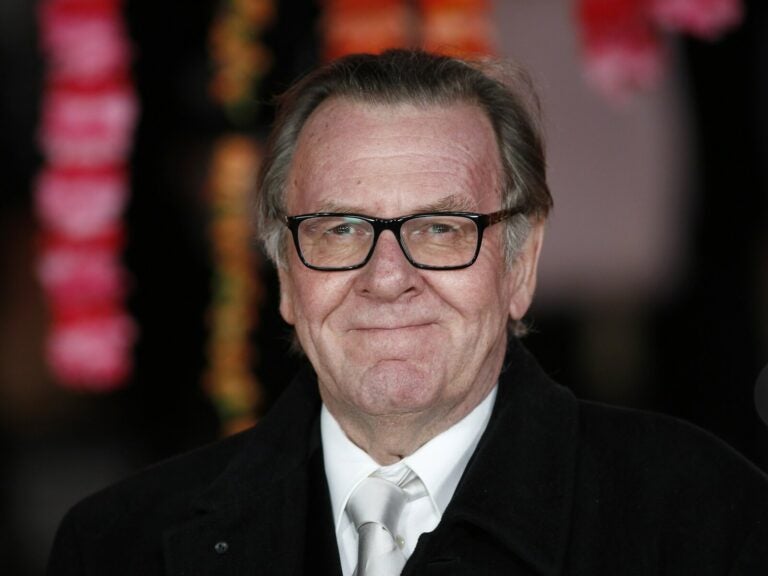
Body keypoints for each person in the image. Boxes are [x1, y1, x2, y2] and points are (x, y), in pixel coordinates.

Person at [48, 49, 768, 576]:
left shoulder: (705, 519)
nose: (387, 278)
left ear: (520, 265)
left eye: (439, 229)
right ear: (287, 279)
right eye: (339, 229)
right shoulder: (117, 546)